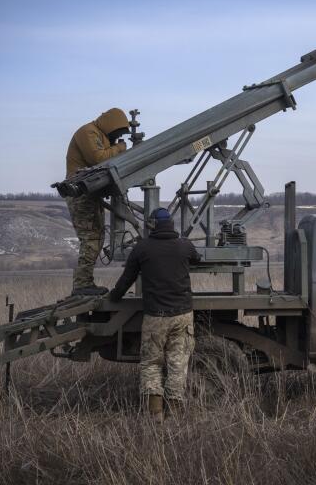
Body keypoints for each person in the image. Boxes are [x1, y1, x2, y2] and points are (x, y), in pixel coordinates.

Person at [108, 208, 201, 421]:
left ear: (152, 226)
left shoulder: (142, 248)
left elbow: (126, 279)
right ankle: (175, 413)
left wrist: (114, 297)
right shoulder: (184, 245)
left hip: (155, 318)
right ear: (171, 224)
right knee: (178, 364)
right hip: (182, 316)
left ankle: (155, 414)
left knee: (151, 364)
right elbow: (197, 259)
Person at [65, 107, 130, 295]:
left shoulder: (98, 134)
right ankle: (82, 285)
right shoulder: (88, 132)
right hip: (80, 193)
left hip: (89, 193)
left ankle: (85, 282)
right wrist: (120, 148)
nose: (117, 137)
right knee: (91, 238)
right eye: (116, 133)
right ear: (111, 125)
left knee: (97, 237)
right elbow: (98, 158)